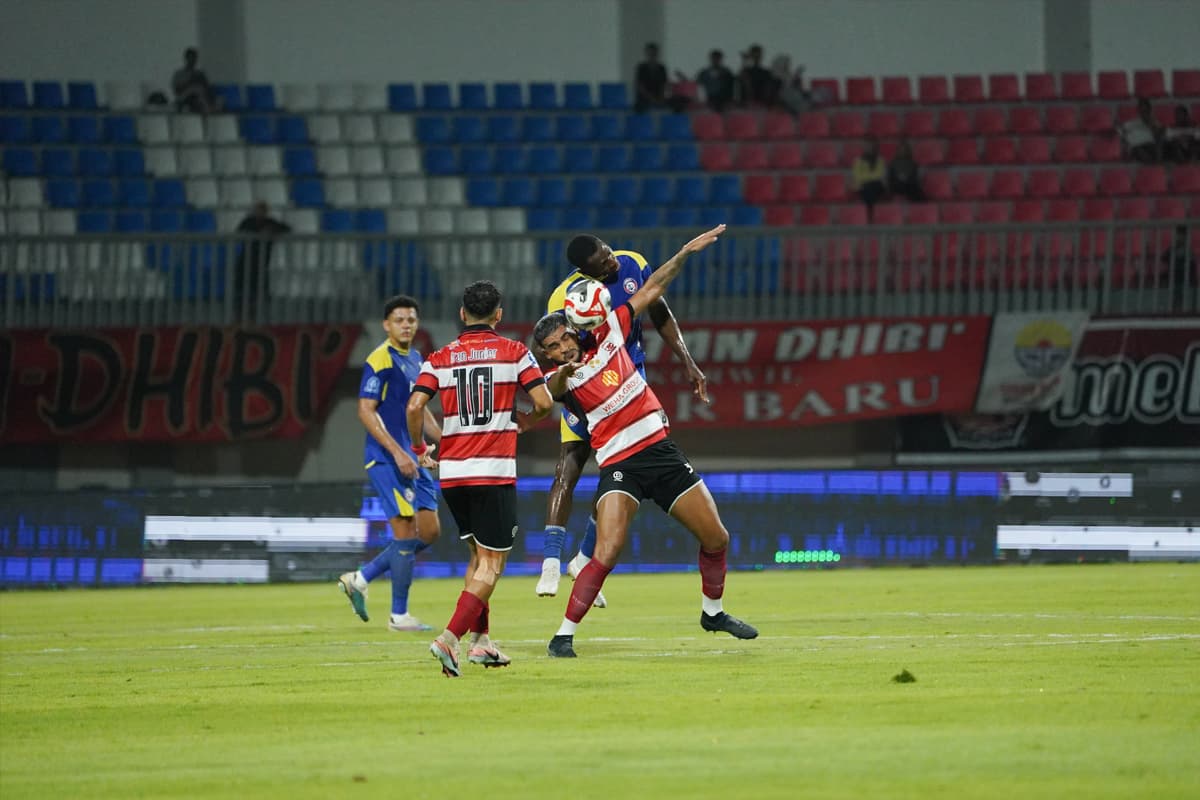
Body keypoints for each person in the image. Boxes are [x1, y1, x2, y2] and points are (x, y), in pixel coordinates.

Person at [532, 224, 758, 658]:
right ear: (547, 353)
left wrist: (686, 251)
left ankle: (713, 613)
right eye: (553, 345)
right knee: (609, 549)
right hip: (621, 465)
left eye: (565, 339)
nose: (562, 347)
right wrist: (563, 368)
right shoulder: (560, 379)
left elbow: (654, 289)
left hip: (662, 454)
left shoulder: (614, 329)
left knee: (717, 538)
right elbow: (555, 387)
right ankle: (563, 635)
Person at [535, 237, 709, 603]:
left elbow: (657, 308)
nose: (612, 263)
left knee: (625, 471)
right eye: (603, 263)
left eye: (609, 253)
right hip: (585, 381)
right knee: (569, 464)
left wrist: (687, 359)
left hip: (628, 375)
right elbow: (557, 351)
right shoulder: (563, 297)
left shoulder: (633, 262)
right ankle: (550, 562)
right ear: (585, 273)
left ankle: (582, 560)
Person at [408, 281, 555, 676]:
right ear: (499, 315)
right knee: (493, 564)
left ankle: (481, 642)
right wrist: (524, 420)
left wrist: (421, 450)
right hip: (492, 470)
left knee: (476, 557)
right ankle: (449, 639)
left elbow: (415, 405)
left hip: (453, 474)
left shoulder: (439, 358)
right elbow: (543, 402)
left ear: (462, 314)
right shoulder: (514, 353)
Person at [337, 295, 443, 632]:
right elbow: (365, 410)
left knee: (429, 531)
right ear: (386, 325)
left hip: (416, 456)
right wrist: (399, 452)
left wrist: (440, 441)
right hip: (387, 458)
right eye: (399, 320)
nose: (406, 325)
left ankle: (361, 577)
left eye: (411, 319)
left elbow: (420, 407)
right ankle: (399, 615)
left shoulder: (415, 359)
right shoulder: (379, 359)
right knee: (404, 529)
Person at [233, 201, 290, 321]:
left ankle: (256, 314)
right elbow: (239, 232)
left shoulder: (270, 223)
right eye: (257, 210)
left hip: (261, 263)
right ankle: (239, 313)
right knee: (242, 287)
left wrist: (272, 232)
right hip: (246, 260)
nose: (259, 213)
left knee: (258, 289)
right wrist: (257, 234)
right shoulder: (248, 221)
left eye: (262, 210)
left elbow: (286, 228)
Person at [851, 136, 888, 220]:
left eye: (870, 145)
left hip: (877, 186)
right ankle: (872, 214)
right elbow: (858, 176)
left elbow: (880, 175)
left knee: (870, 187)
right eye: (866, 145)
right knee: (868, 188)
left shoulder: (880, 160)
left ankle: (869, 215)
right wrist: (872, 176)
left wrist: (866, 176)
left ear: (874, 146)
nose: (868, 147)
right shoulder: (858, 161)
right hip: (863, 186)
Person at [1117, 97, 1164, 163]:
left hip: (1151, 147)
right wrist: (1125, 140)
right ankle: (1153, 165)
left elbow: (1159, 137)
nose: (1144, 113)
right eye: (1142, 110)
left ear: (1149, 110)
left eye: (1145, 110)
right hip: (1137, 149)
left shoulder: (1155, 123)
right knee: (1138, 149)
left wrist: (1151, 125)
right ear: (1139, 111)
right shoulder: (1132, 123)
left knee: (1157, 147)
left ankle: (1155, 164)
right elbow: (1119, 132)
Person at [171, 47, 216, 113]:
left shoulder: (200, 73)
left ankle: (209, 109)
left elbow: (207, 87)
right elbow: (177, 89)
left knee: (201, 91)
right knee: (196, 88)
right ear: (186, 58)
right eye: (190, 58)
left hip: (199, 96)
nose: (192, 60)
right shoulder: (179, 74)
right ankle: (209, 109)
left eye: (194, 58)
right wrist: (190, 81)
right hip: (185, 97)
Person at [634, 42, 668, 112]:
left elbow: (664, 85)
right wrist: (652, 99)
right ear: (646, 54)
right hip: (644, 99)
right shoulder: (641, 68)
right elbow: (640, 87)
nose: (652, 55)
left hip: (658, 97)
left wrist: (661, 98)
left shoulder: (662, 68)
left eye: (654, 53)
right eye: (650, 53)